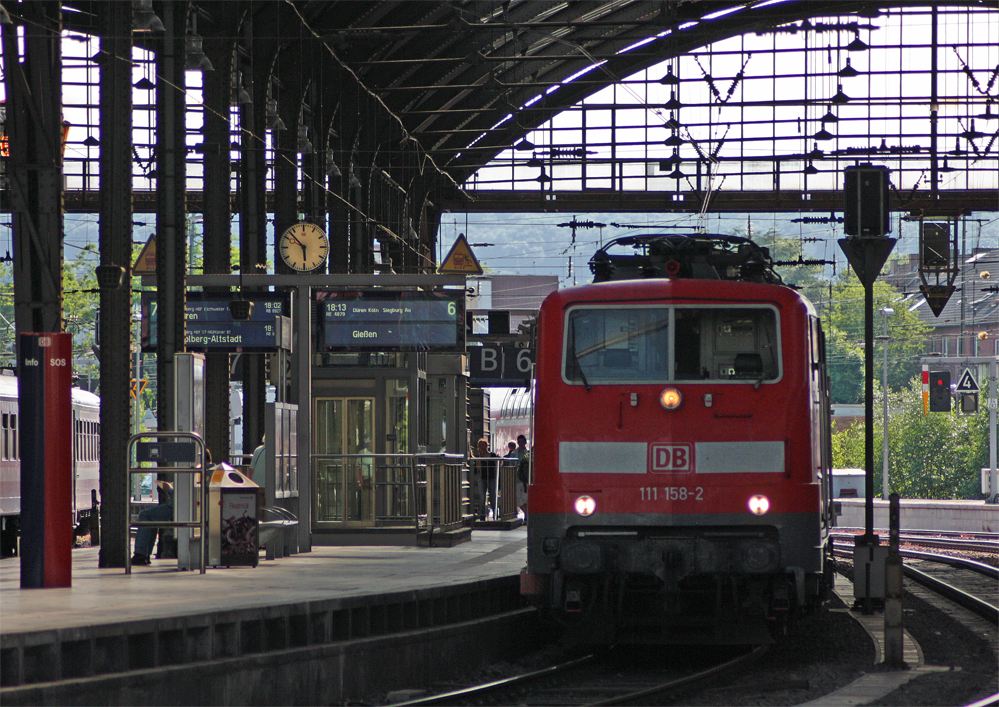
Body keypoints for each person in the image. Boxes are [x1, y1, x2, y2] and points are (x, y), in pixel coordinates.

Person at [131, 479, 174, 565]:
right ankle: (143, 554)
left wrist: (169, 489)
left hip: (178, 506)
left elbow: (182, 496)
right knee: (151, 517)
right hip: (185, 505)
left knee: (145, 515)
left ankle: (141, 554)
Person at [473, 438, 498, 518]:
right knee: (482, 497)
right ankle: (482, 514)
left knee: (493, 496)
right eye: (480, 445)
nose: (482, 447)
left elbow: (496, 466)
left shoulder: (492, 455)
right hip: (482, 478)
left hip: (491, 478)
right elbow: (478, 468)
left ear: (487, 445)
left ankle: (495, 513)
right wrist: (479, 457)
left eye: (483, 444)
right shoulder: (478, 456)